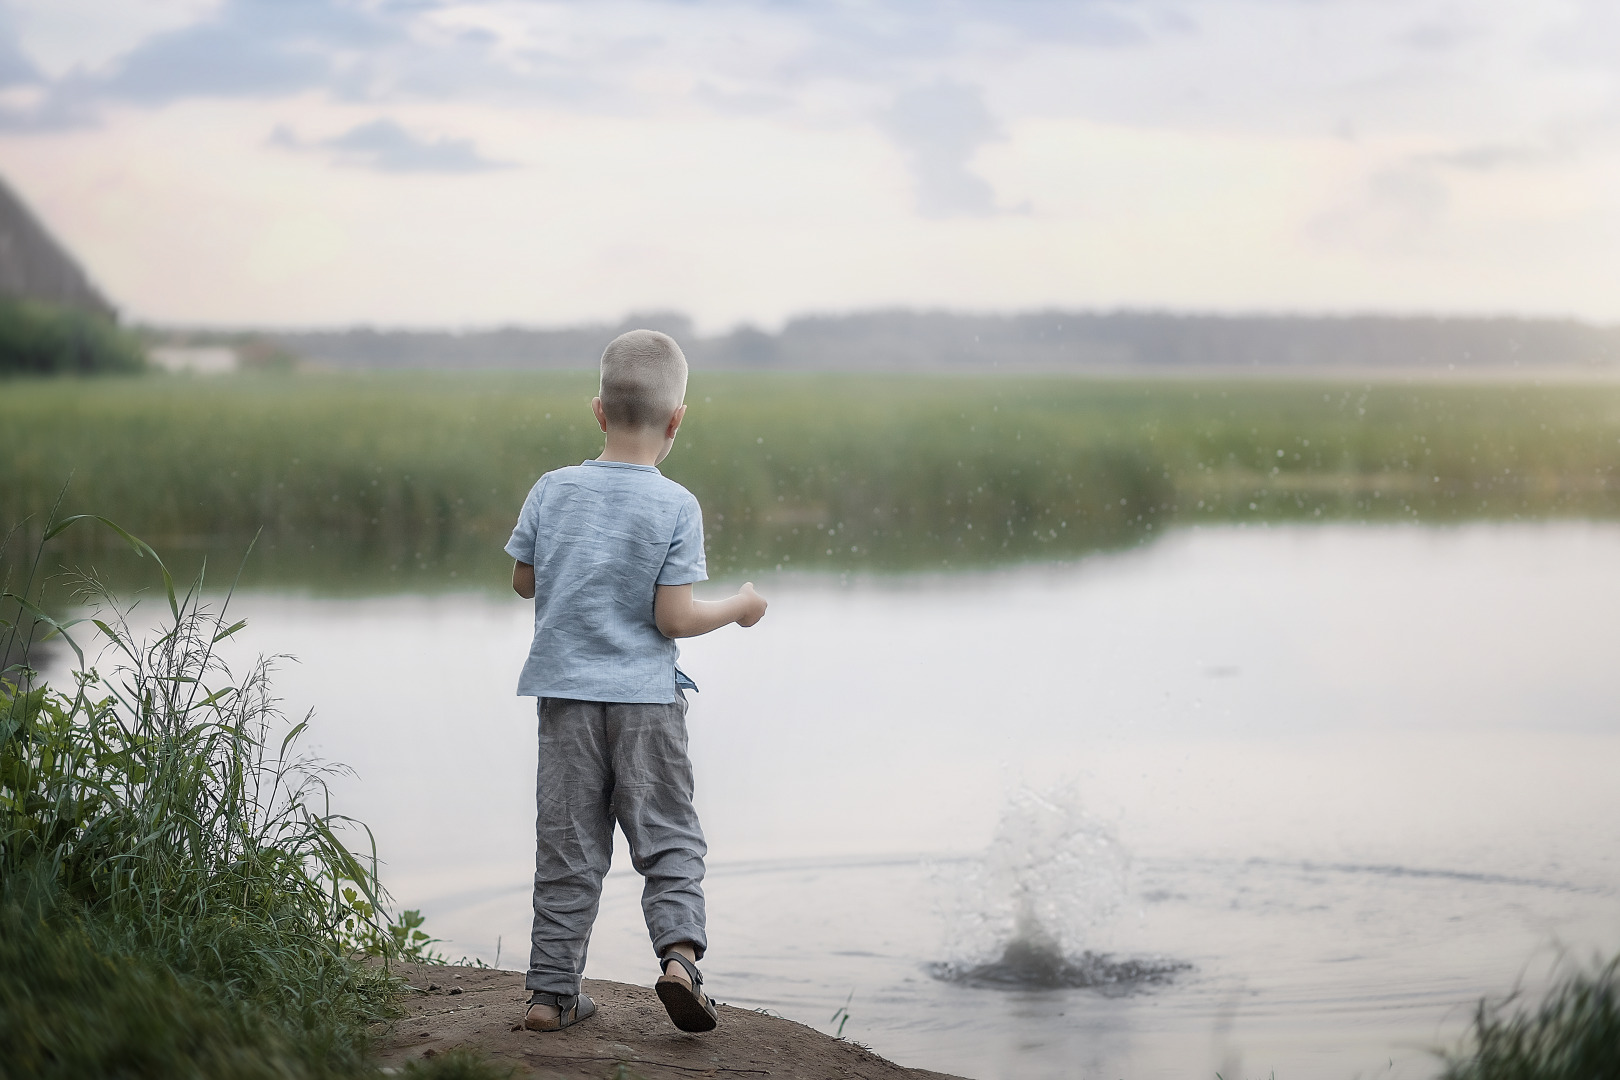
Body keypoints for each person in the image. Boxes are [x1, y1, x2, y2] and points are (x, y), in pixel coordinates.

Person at [505, 328, 767, 1034]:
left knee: (567, 844)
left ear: (598, 410)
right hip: (647, 706)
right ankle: (680, 963)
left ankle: (549, 996)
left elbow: (524, 581)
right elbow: (673, 617)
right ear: (677, 420)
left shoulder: (551, 489)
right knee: (668, 838)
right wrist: (740, 608)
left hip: (565, 702)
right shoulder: (675, 504)